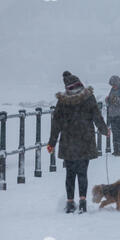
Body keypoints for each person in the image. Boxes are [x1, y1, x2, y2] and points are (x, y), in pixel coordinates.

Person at [47, 71, 109, 214]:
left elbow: (56, 123)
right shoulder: (88, 97)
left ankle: (69, 203)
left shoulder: (62, 101)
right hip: (85, 139)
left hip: (68, 142)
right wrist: (105, 130)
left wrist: (52, 142)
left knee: (70, 173)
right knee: (82, 173)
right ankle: (82, 202)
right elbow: (97, 116)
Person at [105, 75, 120, 156]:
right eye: (112, 85)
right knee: (115, 132)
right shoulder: (111, 90)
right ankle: (115, 150)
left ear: (118, 83)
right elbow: (110, 102)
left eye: (114, 84)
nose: (113, 86)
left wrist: (117, 100)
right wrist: (108, 100)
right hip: (113, 114)